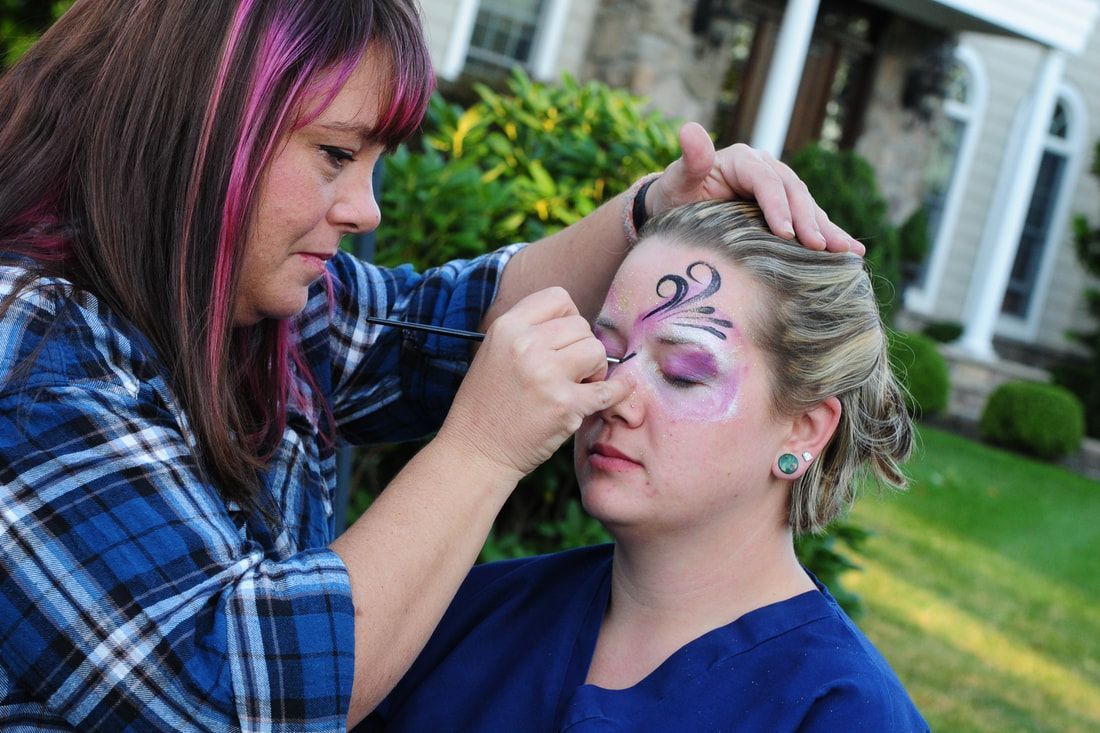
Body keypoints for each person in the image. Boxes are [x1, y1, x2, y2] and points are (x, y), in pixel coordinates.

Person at [0, 1, 862, 730]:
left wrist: (656, 207)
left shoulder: (238, 304)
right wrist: (481, 450)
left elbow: (432, 330)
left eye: (682, 367)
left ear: (806, 427)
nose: (364, 206)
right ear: (194, 125)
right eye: (336, 154)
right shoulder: (29, 344)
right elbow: (232, 692)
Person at [366, 200, 928, 732]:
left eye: (683, 373)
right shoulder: (462, 615)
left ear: (803, 428)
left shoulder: (839, 711)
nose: (613, 394)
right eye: (604, 352)